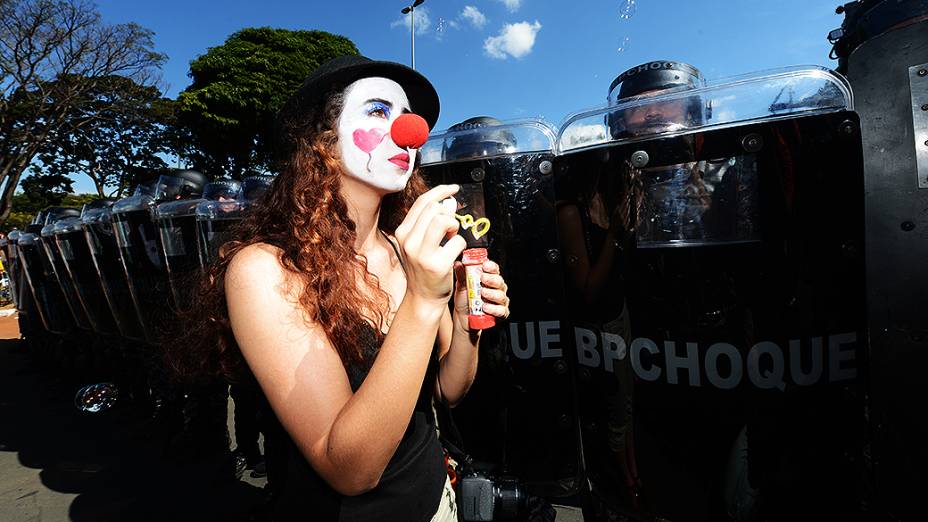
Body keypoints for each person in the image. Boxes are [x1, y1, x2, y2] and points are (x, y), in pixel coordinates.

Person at [167, 55, 510, 521]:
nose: (410, 131)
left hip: (436, 504)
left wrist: (465, 315)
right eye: (376, 110)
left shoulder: (405, 248)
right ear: (321, 141)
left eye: (407, 116)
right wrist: (424, 302)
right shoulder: (266, 270)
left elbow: (447, 391)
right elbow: (349, 470)